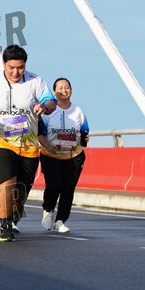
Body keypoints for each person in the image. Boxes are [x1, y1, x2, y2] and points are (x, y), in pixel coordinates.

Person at [0, 45, 56, 242]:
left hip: (28, 145)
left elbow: (51, 102)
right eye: (11, 67)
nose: (16, 72)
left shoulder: (36, 81)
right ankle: (5, 225)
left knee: (21, 191)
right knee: (6, 181)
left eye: (20, 68)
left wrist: (44, 107)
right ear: (4, 64)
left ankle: (10, 214)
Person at [38, 78, 89, 234]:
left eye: (67, 87)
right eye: (60, 88)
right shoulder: (47, 112)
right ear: (54, 92)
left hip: (74, 156)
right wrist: (48, 146)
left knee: (68, 189)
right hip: (50, 156)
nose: (64, 90)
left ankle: (60, 221)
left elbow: (84, 132)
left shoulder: (78, 111)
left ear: (71, 91)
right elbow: (39, 133)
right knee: (54, 185)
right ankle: (48, 210)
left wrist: (84, 140)